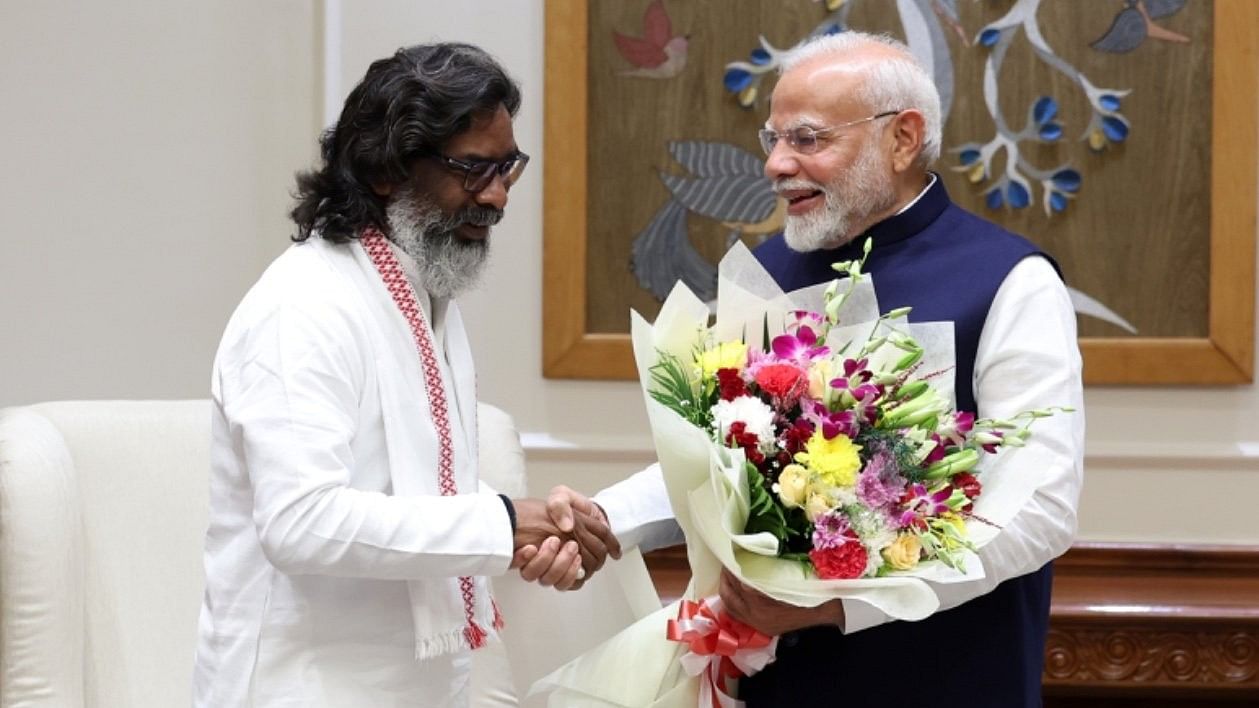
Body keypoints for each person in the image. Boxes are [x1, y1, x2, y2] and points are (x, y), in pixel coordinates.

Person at [550, 30, 1084, 708]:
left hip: (948, 681)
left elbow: (1039, 508)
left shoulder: (1010, 279)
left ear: (902, 138)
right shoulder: (764, 272)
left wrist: (834, 609)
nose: (775, 165)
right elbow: (721, 467)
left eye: (805, 140)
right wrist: (601, 520)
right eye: (771, 140)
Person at [193, 42, 618, 707]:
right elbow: (301, 522)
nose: (499, 196)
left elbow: (411, 474)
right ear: (387, 169)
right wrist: (504, 525)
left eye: (508, 167)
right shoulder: (303, 305)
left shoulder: (417, 289)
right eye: (473, 170)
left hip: (417, 683)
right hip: (302, 686)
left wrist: (534, 530)